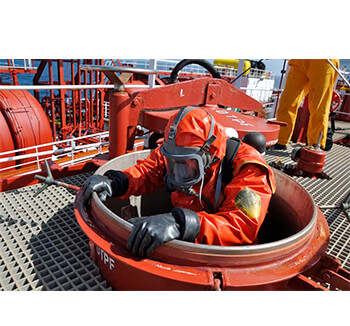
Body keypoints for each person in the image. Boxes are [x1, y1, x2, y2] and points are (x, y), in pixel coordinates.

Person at [82, 107, 276, 258]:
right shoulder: (177, 151)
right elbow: (148, 171)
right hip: (183, 238)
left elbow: (241, 227)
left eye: (186, 164)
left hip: (224, 255)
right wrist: (116, 182)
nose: (177, 173)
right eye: (172, 164)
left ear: (209, 153)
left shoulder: (248, 168)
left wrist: (181, 223)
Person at [275, 59, 339, 150]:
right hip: (300, 60)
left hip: (324, 62)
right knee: (287, 101)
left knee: (319, 106)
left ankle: (315, 144)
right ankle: (281, 140)